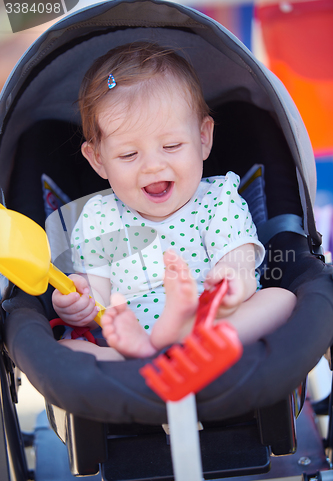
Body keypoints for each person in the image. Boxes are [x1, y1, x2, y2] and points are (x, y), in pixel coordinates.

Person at [52, 42, 296, 360]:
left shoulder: (218, 201)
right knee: (64, 350)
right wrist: (77, 303)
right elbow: (97, 295)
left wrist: (231, 285)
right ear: (98, 160)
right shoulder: (98, 217)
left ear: (203, 138)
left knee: (282, 299)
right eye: (129, 154)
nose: (152, 166)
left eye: (171, 145)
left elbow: (239, 262)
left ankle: (185, 337)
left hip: (208, 322)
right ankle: (145, 350)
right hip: (127, 341)